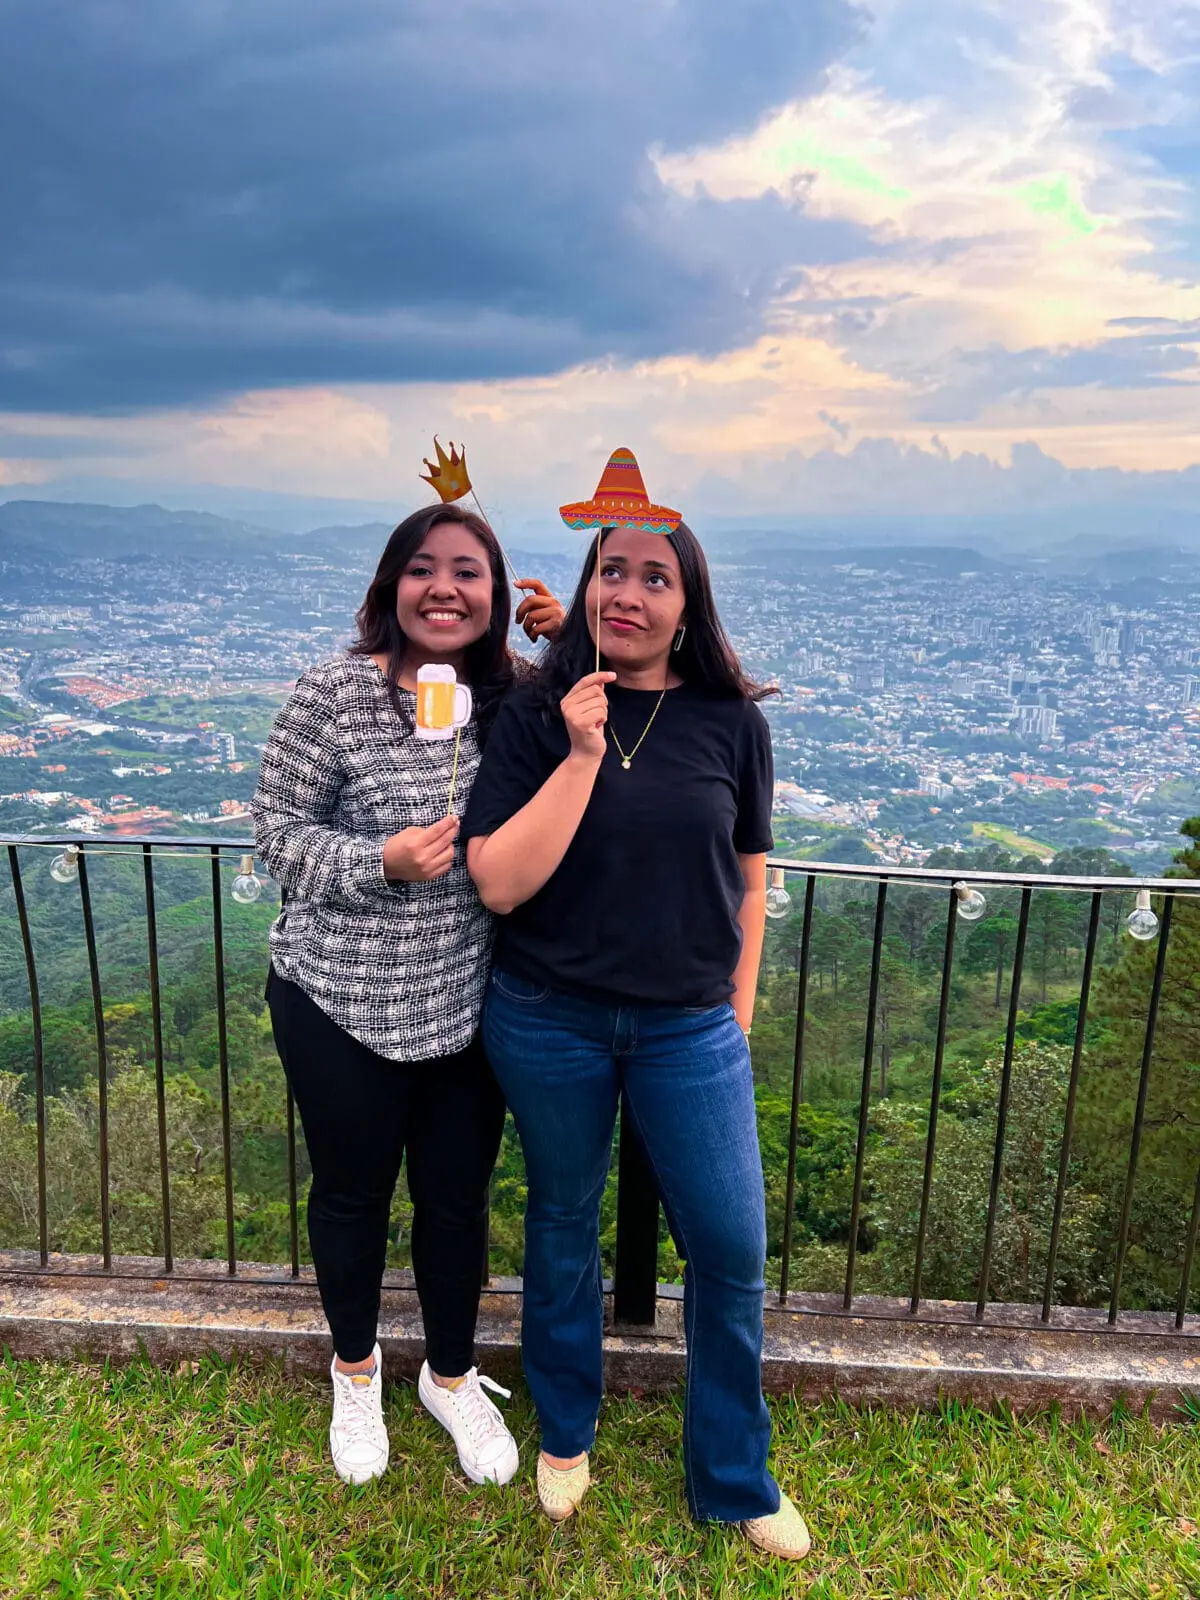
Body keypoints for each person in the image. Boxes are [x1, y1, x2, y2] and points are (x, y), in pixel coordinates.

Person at [464, 492, 811, 1560]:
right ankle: (566, 1429)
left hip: (688, 1028)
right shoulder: (538, 713)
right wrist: (577, 750)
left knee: (730, 1244)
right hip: (547, 1013)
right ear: (586, 587)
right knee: (564, 1221)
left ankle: (734, 1474)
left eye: (655, 577)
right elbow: (496, 882)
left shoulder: (730, 723)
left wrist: (735, 1011)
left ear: (687, 603)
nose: (628, 592)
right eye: (611, 570)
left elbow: (750, 878)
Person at [253, 502, 561, 1487]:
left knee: (455, 1203)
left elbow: (615, 724)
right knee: (350, 1197)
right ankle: (355, 1370)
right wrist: (378, 861)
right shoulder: (334, 694)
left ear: (495, 595)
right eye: (424, 567)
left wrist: (571, 641)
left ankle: (450, 1373)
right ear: (391, 583)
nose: (445, 588)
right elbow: (276, 835)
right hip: (336, 997)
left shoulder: (515, 697)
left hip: (466, 1001)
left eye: (469, 571)